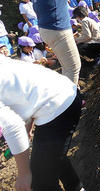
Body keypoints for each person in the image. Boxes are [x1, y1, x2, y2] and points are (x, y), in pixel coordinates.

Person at [0, 56, 84, 191]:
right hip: (61, 92)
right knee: (51, 156)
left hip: (58, 105)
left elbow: (13, 127)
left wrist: (24, 174)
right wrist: (28, 127)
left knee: (40, 181)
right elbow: (23, 91)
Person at [27, 0, 81, 85]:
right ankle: (70, 103)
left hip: (46, 30)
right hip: (58, 29)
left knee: (66, 65)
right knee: (73, 67)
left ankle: (73, 97)